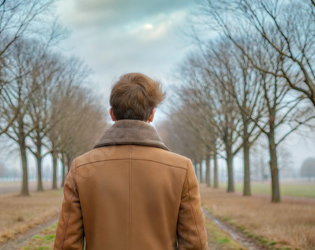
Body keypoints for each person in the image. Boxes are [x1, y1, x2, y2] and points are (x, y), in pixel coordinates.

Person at [54, 73, 207, 250]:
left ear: (112, 114)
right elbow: (195, 244)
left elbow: (67, 244)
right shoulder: (182, 169)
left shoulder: (81, 168)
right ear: (152, 115)